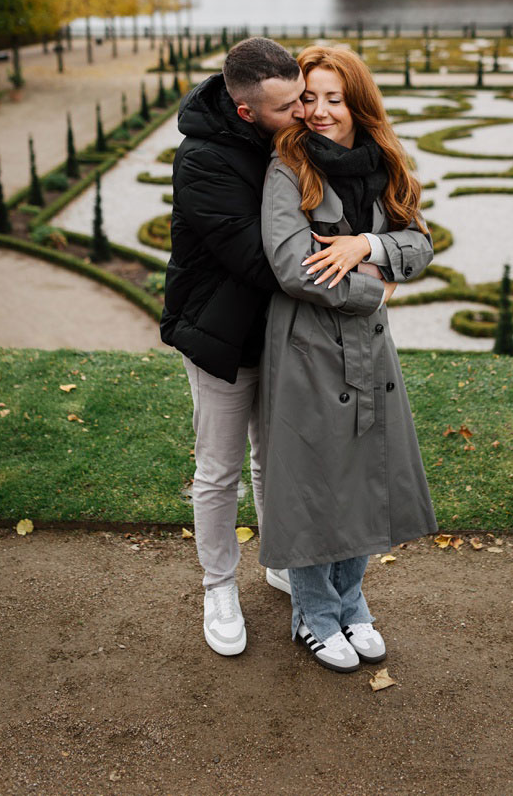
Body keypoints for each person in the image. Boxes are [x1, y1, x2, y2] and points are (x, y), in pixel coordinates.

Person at [258, 44, 437, 673]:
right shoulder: (289, 167)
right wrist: (373, 287)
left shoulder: (386, 163)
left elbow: (420, 243)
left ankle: (352, 600)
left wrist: (367, 242)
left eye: (334, 98)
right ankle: (312, 610)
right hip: (306, 346)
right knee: (314, 481)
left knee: (367, 474)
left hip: (368, 353)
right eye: (309, 98)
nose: (321, 111)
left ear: (357, 101)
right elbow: (291, 266)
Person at [160, 37, 307, 657]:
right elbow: (261, 260)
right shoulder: (202, 161)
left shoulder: (291, 133)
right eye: (286, 108)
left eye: (303, 98)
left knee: (274, 460)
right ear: (246, 112)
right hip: (220, 333)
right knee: (218, 473)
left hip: (279, 331)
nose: (303, 113)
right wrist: (358, 272)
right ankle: (219, 587)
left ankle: (277, 561)